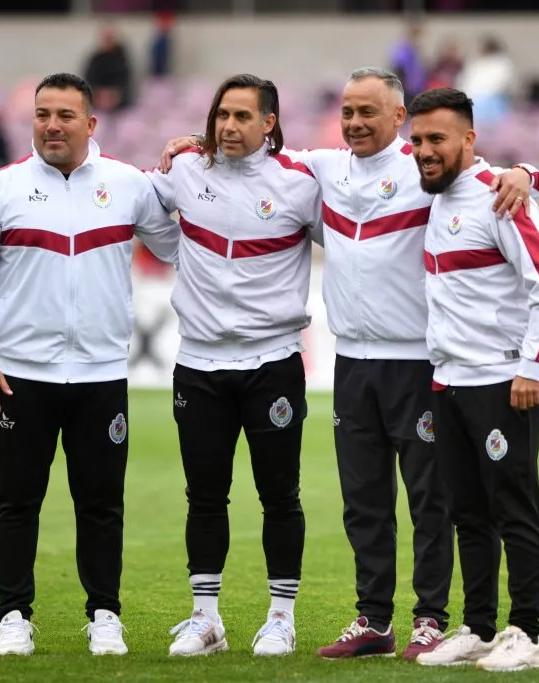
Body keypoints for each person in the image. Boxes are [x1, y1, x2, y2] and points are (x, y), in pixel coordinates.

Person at [157, 67, 539, 661]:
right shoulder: (322, 169)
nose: (356, 123)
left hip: (418, 360)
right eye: (348, 113)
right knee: (363, 500)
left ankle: (430, 618)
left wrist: (527, 172)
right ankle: (374, 620)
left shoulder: (425, 170)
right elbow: (256, 156)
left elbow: (481, 170)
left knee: (428, 498)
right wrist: (196, 142)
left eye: (370, 113)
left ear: (399, 120)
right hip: (352, 360)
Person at [0, 72, 181, 658]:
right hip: (22, 376)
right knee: (17, 500)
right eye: (42, 114)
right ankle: (13, 616)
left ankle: (104, 614)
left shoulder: (128, 184)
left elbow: (178, 246)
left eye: (65, 115)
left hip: (102, 375)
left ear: (90, 123)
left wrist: (189, 178)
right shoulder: (1, 188)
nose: (52, 125)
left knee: (101, 503)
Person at [149, 74, 321, 658]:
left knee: (280, 496)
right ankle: (205, 619)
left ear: (268, 123)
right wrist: (181, 255)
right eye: (222, 114)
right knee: (204, 496)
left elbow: (355, 237)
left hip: (272, 362)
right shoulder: (186, 170)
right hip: (197, 363)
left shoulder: (301, 183)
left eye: (243, 116)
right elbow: (137, 206)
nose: (229, 126)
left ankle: (281, 618)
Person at [406, 88, 539, 672]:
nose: (424, 150)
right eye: (417, 140)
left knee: (514, 506)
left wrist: (532, 367)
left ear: (469, 139)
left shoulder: (499, 195)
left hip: (503, 381)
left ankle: (527, 633)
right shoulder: (431, 190)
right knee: (465, 512)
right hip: (447, 382)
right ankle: (477, 627)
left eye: (437, 139)